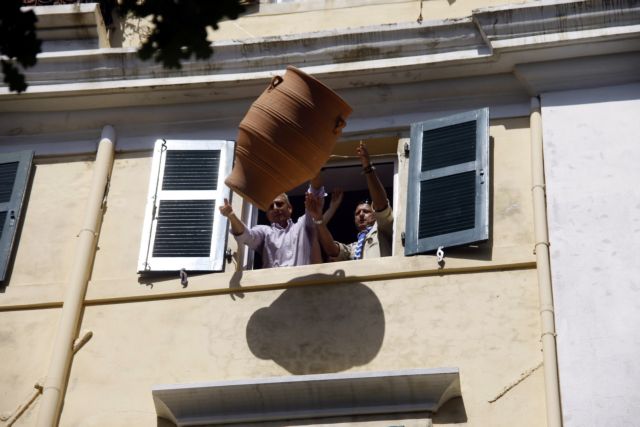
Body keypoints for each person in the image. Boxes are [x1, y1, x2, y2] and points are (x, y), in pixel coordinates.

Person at [307, 142, 393, 260]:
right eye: (357, 213)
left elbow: (381, 205)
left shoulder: (384, 230)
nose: (361, 215)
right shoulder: (353, 247)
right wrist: (318, 219)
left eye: (366, 211)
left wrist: (368, 168)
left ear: (374, 215)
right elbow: (333, 250)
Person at [219, 175, 325, 268]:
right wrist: (232, 216)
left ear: (290, 208)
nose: (275, 208)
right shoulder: (265, 232)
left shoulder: (303, 224)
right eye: (270, 207)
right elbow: (245, 235)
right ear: (267, 215)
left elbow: (316, 193)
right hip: (275, 289)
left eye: (279, 204)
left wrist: (314, 173)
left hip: (302, 287)